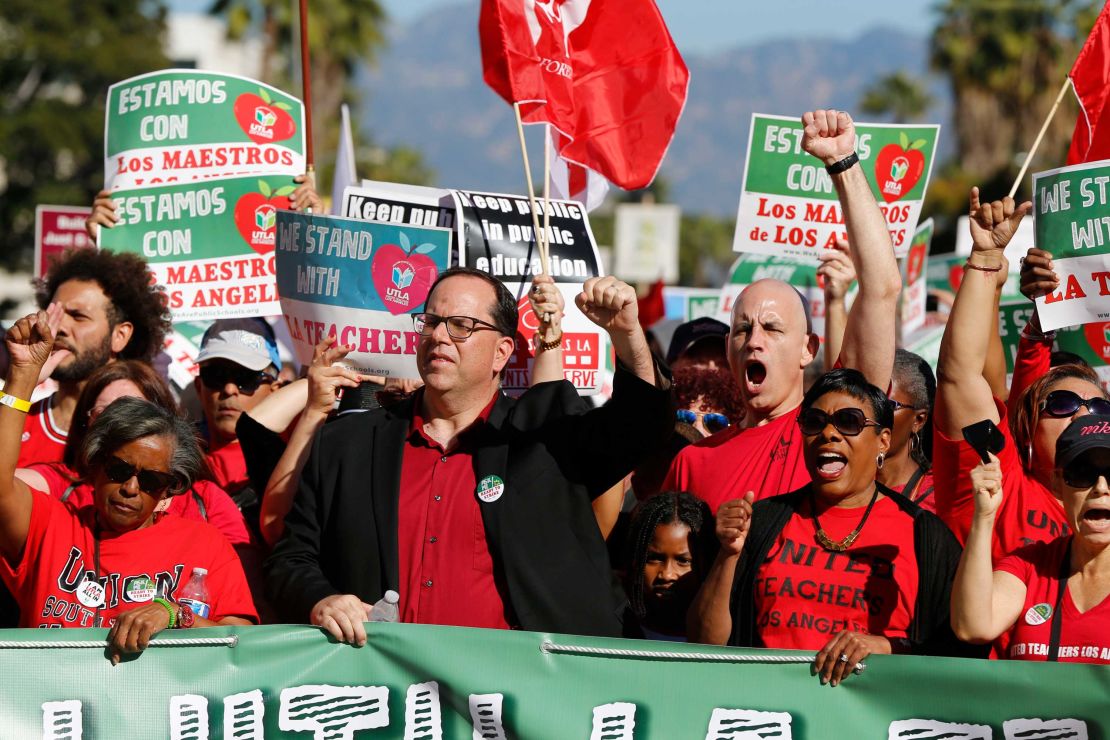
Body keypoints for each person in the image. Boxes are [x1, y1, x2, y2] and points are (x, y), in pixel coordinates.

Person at [265, 268, 672, 643]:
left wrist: (627, 336)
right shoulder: (349, 443)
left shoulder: (545, 434)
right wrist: (322, 601)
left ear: (502, 352)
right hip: (391, 695)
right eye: (431, 322)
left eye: (462, 326)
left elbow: (639, 428)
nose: (439, 336)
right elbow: (291, 559)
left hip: (522, 701)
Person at [664, 110, 903, 512]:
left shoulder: (833, 428)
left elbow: (881, 287)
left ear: (809, 348)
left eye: (772, 329)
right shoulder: (692, 462)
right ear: (728, 349)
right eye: (742, 330)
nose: (754, 341)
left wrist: (843, 163)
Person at [0, 307, 257, 663]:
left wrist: (173, 615)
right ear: (95, 464)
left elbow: (245, 646)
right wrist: (22, 376)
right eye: (120, 470)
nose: (132, 488)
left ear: (168, 490)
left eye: (151, 480)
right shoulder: (50, 525)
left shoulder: (205, 545)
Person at [689, 369, 970, 686]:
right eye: (814, 421)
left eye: (849, 422)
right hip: (770, 716)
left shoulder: (925, 536)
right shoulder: (761, 521)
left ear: (883, 441)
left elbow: (956, 659)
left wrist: (887, 647)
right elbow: (703, 645)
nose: (829, 434)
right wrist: (728, 553)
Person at [933, 189, 1110, 560]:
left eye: (1100, 407)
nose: (1082, 414)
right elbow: (960, 376)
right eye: (1062, 404)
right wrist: (984, 260)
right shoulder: (1000, 479)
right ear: (1026, 426)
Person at [15, 360, 250, 549]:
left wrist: (172, 609)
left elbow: (242, 591)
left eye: (134, 412)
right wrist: (23, 379)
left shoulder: (206, 501)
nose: (119, 425)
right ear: (86, 422)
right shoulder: (61, 484)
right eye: (104, 413)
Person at [952, 415, 1110, 664]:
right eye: (1082, 473)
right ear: (1057, 484)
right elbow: (972, 626)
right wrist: (984, 516)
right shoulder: (1029, 566)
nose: (1101, 487)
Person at [14, 247, 170, 467]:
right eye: (54, 315)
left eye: (79, 316)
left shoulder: (148, 439)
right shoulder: (14, 420)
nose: (59, 327)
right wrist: (22, 377)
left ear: (120, 335)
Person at [193, 318, 284, 501]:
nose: (229, 389)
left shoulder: (294, 458)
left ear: (275, 390)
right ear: (198, 387)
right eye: (215, 376)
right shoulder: (172, 457)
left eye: (246, 378)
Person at [623, 492, 717, 641]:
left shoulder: (719, 631)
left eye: (683, 561)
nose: (666, 574)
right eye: (654, 559)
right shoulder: (617, 625)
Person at [880, 350, 936, 511]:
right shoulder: (843, 489)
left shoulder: (938, 500)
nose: (872, 413)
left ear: (918, 420)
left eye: (886, 406)